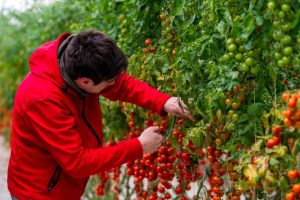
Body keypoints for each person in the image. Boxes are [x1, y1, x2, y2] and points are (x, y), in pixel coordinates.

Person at [7, 29, 193, 200]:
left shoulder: (80, 60)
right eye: (110, 81)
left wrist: (163, 101)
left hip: (62, 188)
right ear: (85, 82)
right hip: (38, 194)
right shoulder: (42, 100)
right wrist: (139, 146)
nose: (114, 84)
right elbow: (78, 163)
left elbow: (121, 84)